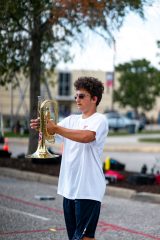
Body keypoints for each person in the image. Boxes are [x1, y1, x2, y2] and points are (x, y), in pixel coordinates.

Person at [30, 76, 108, 240]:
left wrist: (56, 127)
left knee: (84, 237)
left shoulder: (100, 120)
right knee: (74, 237)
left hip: (88, 189)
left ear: (94, 99)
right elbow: (52, 134)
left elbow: (87, 136)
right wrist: (43, 126)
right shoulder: (71, 120)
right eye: (76, 96)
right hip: (69, 188)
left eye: (81, 96)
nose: (77, 100)